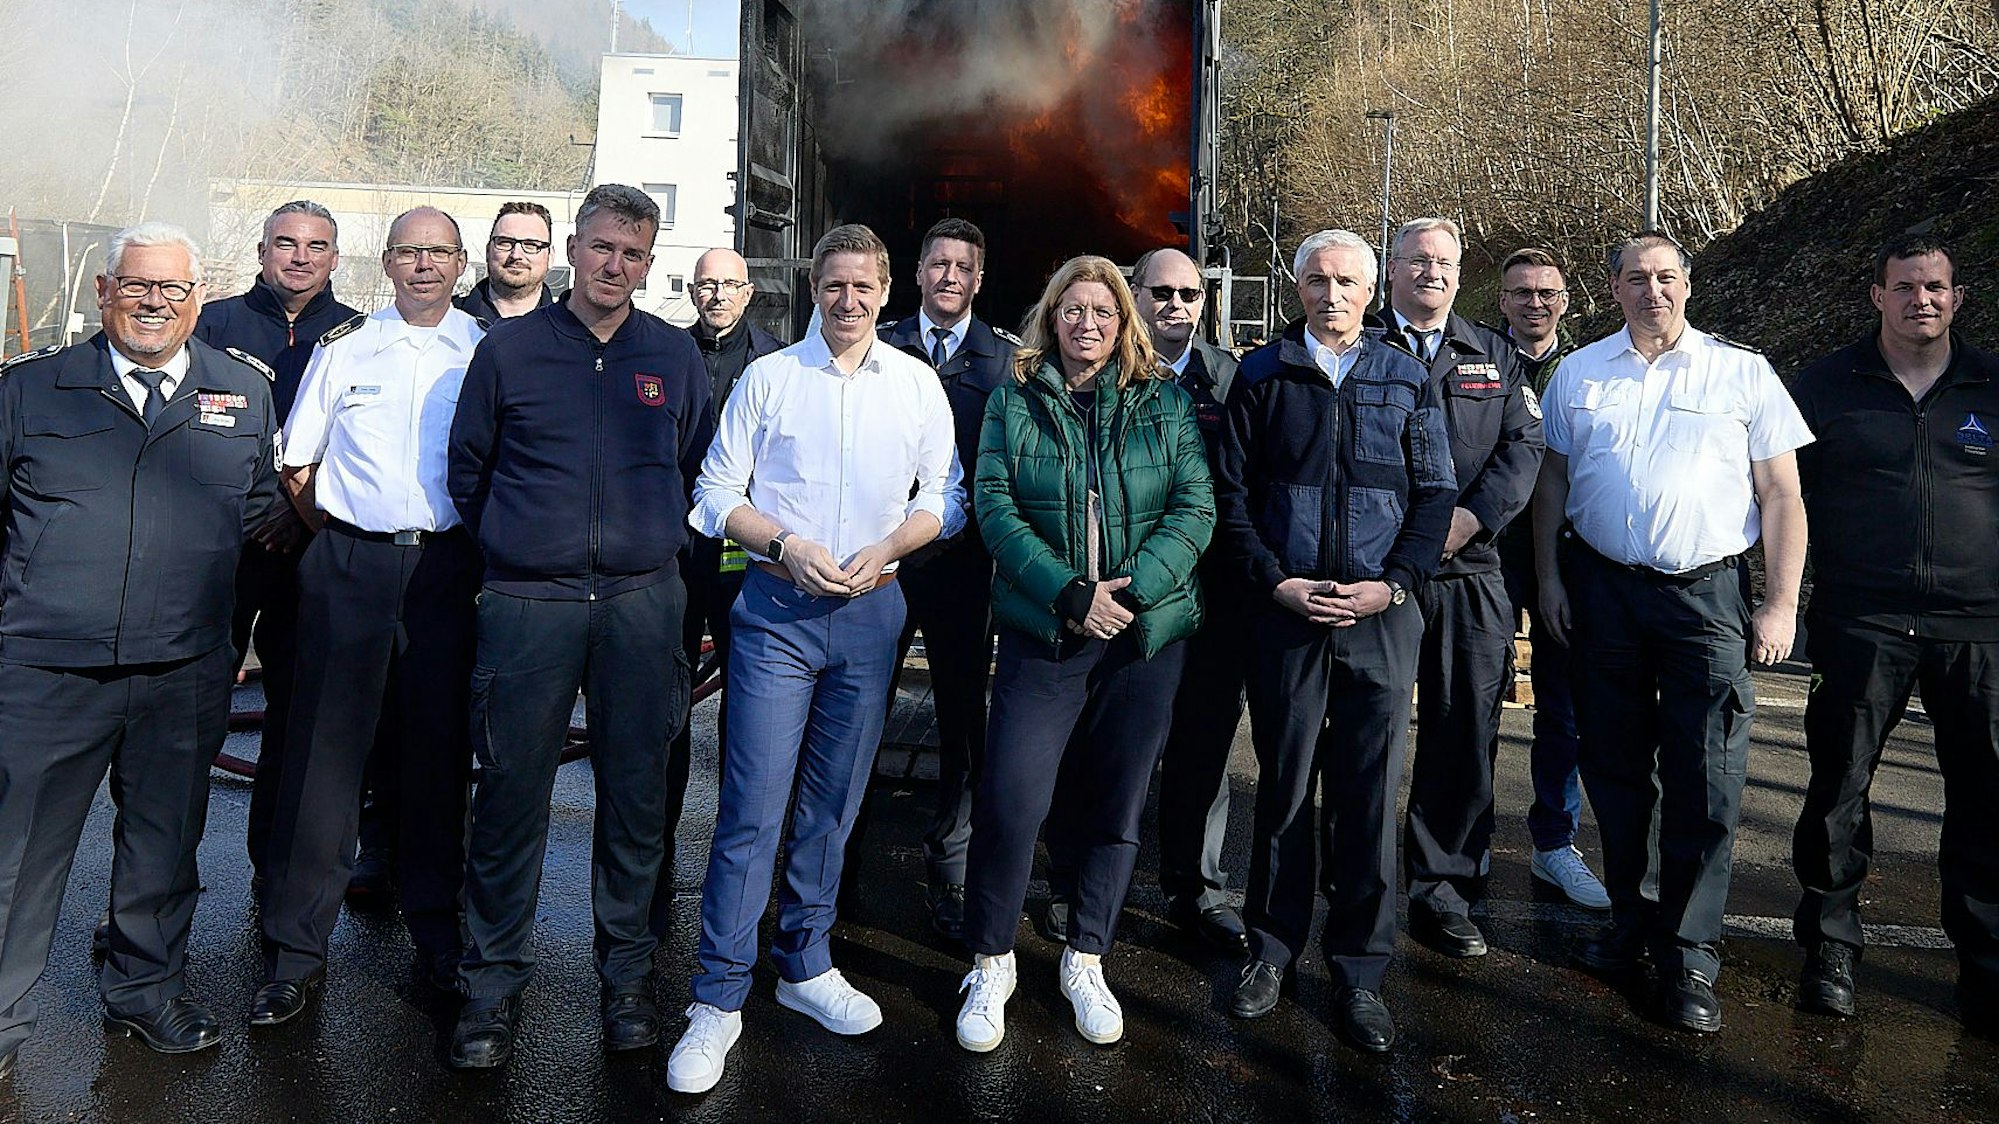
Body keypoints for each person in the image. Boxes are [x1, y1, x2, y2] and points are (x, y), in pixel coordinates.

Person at [667, 224, 959, 1094]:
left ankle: (804, 965)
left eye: (863, 287)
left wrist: (896, 546)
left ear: (884, 290)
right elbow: (715, 493)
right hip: (777, 612)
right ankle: (716, 999)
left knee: (833, 803)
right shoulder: (768, 379)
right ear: (813, 291)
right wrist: (784, 541)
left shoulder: (915, 386)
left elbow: (945, 494)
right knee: (753, 805)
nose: (848, 301)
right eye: (833, 286)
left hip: (871, 614)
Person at [0, 222, 278, 1066]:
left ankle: (144, 992)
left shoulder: (242, 391)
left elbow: (263, 520)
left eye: (173, 289)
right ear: (102, 292)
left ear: (199, 298)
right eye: (137, 286)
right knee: (18, 857)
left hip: (183, 667)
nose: (154, 303)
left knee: (163, 845)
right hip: (48, 667)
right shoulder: (32, 390)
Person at [447, 185, 712, 1068]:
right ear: (573, 246)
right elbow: (470, 470)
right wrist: (518, 551)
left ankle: (627, 983)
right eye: (602, 248)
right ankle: (488, 993)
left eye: (634, 254)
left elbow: (693, 465)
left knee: (635, 803)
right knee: (511, 797)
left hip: (641, 604)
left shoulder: (672, 356)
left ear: (650, 260)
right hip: (531, 605)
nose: (615, 267)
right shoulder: (510, 352)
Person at [1533, 229, 1810, 1034]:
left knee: (1706, 776)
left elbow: (1782, 496)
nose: (1651, 291)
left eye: (1665, 277)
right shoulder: (1578, 373)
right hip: (1602, 594)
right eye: (1635, 279)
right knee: (1615, 772)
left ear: (1686, 285)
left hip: (1705, 600)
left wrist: (1780, 603)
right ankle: (1631, 923)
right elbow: (1551, 484)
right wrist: (1550, 579)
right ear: (1612, 288)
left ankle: (1688, 952)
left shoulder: (1741, 372)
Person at [952, 255, 1212, 1053]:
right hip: (1048, 632)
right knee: (1011, 800)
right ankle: (991, 961)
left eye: (1102, 311)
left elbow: (1195, 505)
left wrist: (1131, 595)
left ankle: (1085, 956)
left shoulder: (1162, 401)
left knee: (1114, 804)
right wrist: (1071, 593)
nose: (1087, 324)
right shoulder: (1014, 400)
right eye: (1072, 310)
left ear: (1121, 320)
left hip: (1140, 637)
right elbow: (993, 507)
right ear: (1050, 316)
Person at [1215, 230, 1457, 1052]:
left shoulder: (1405, 376)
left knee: (1365, 798)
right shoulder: (1261, 374)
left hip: (1378, 619)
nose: (1332, 294)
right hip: (1286, 615)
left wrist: (1392, 586)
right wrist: (1274, 581)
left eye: (1347, 281)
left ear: (1370, 288)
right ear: (1296, 285)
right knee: (1281, 789)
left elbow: (1434, 496)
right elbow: (1231, 497)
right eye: (1316, 279)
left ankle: (1358, 972)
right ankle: (1270, 951)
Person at [248, 208, 485, 1025]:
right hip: (347, 563)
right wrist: (346, 535)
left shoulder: (486, 351)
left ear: (461, 263)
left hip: (447, 571)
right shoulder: (344, 349)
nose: (423, 265)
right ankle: (292, 956)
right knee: (321, 763)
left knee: (434, 759)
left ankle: (437, 940)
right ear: (385, 263)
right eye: (408, 252)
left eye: (438, 253)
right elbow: (299, 461)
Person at [1788, 233, 1999, 1032]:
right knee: (1838, 785)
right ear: (1875, 295)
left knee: (1985, 795)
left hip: (1978, 625)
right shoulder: (1825, 386)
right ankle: (1831, 948)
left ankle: (1984, 961)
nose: (1923, 300)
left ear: (1957, 295)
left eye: (1936, 286)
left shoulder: (1991, 383)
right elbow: (1781, 499)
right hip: (1859, 618)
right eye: (1905, 286)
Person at [1373, 217, 1544, 958]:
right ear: (1391, 270)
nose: (1431, 273)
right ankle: (1361, 880)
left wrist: (1469, 519)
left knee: (1462, 734)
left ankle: (1444, 888)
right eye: (1417, 261)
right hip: (1375, 570)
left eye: (1443, 262)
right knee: (1363, 731)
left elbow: (1523, 447)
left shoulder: (1493, 354)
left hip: (1469, 569)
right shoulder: (1357, 341)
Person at [192, 200, 358, 887]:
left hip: (309, 552)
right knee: (189, 720)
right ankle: (156, 882)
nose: (299, 257)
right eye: (285, 243)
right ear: (262, 251)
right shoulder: (212, 325)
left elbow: (358, 448)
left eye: (315, 246)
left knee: (297, 726)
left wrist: (299, 513)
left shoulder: (358, 334)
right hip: (219, 555)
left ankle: (276, 875)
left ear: (334, 259)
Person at [876, 218, 1016, 940]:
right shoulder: (878, 344)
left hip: (963, 569)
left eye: (964, 266)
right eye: (937, 264)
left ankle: (950, 860)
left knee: (964, 718)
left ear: (979, 278)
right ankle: (843, 851)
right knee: (860, 704)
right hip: (883, 563)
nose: (949, 277)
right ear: (918, 272)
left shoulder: (1006, 364)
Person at [649, 246, 786, 943]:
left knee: (751, 712)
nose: (715, 296)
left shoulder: (778, 361)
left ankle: (743, 868)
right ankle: (657, 856)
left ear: (749, 290)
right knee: (667, 707)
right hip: (675, 551)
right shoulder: (664, 352)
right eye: (704, 285)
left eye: (727, 285)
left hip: (745, 554)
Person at [1129, 246, 1247, 954]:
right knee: (1113, 743)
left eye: (1189, 295)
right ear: (1135, 294)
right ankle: (1086, 880)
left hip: (1211, 595)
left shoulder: (1229, 376)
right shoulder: (1107, 371)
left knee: (1204, 742)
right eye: (1161, 293)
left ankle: (1196, 889)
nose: (1175, 307)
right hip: (1131, 593)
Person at [1489, 247, 1609, 911]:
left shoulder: (1591, 371)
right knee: (1473, 702)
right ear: (1501, 300)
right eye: (1520, 292)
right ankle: (1460, 840)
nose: (1533, 302)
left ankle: (1553, 844)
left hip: (1568, 557)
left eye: (1546, 292)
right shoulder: (1476, 359)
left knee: (1562, 711)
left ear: (1566, 300)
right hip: (1488, 554)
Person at [455, 201, 557, 322]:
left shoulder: (573, 330)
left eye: (531, 245)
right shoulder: (447, 321)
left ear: (550, 256)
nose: (516, 255)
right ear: (488, 251)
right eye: (505, 242)